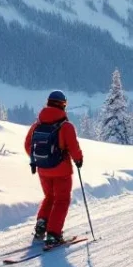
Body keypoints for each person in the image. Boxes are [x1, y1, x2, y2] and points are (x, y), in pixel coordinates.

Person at [24, 90, 83, 247]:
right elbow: (73, 147)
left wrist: (39, 159)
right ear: (63, 105)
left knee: (49, 197)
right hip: (61, 170)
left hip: (43, 170)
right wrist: (78, 160)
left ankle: (41, 225)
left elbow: (27, 145)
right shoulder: (66, 126)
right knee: (61, 200)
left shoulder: (37, 125)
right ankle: (53, 234)